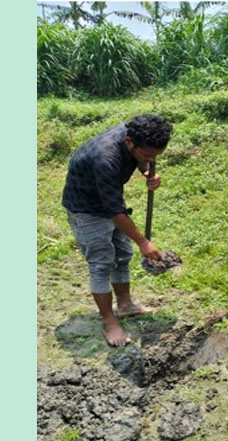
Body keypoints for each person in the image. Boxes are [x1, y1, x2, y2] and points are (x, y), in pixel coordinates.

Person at [61, 114, 172, 347]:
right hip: (86, 209)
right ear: (130, 142)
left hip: (109, 200)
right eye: (147, 155)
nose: (152, 160)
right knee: (101, 263)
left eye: (156, 157)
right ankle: (109, 322)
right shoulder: (105, 157)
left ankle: (125, 305)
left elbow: (115, 204)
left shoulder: (135, 135)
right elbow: (114, 210)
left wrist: (145, 169)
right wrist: (143, 242)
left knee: (122, 255)